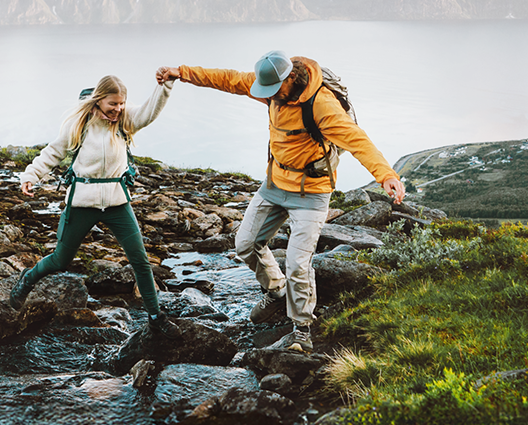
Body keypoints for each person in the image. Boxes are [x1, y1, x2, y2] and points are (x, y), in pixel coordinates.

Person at [156, 51, 406, 352]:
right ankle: (276, 292)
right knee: (245, 244)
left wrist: (386, 175)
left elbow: (357, 140)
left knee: (298, 264)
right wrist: (180, 72)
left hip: (312, 194)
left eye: (274, 91)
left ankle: (302, 331)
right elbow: (227, 79)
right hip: (274, 185)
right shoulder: (271, 90)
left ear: (290, 78)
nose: (269, 96)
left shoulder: (321, 104)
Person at [10, 74, 181, 339]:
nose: (118, 109)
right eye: (113, 104)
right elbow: (53, 152)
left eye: (122, 104)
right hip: (82, 203)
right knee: (60, 260)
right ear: (99, 100)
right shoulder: (78, 125)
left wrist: (165, 86)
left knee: (140, 261)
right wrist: (31, 176)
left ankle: (156, 319)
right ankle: (27, 280)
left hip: (116, 202)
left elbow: (149, 112)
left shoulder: (124, 122)